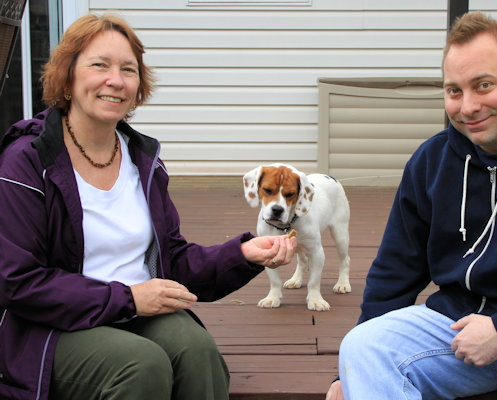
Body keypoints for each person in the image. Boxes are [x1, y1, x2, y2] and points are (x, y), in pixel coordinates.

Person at [0, 13, 296, 400]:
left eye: (129, 69)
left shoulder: (143, 160)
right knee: (141, 366)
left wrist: (242, 254)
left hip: (134, 309)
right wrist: (127, 299)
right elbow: (18, 281)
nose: (116, 80)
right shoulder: (27, 161)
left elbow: (171, 258)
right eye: (99, 65)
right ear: (68, 76)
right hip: (50, 327)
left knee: (198, 352)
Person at [327, 11, 497, 400]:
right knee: (363, 347)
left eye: (483, 85)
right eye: (454, 90)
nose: (467, 106)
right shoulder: (432, 160)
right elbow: (395, 270)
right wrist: (345, 377)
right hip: (460, 327)